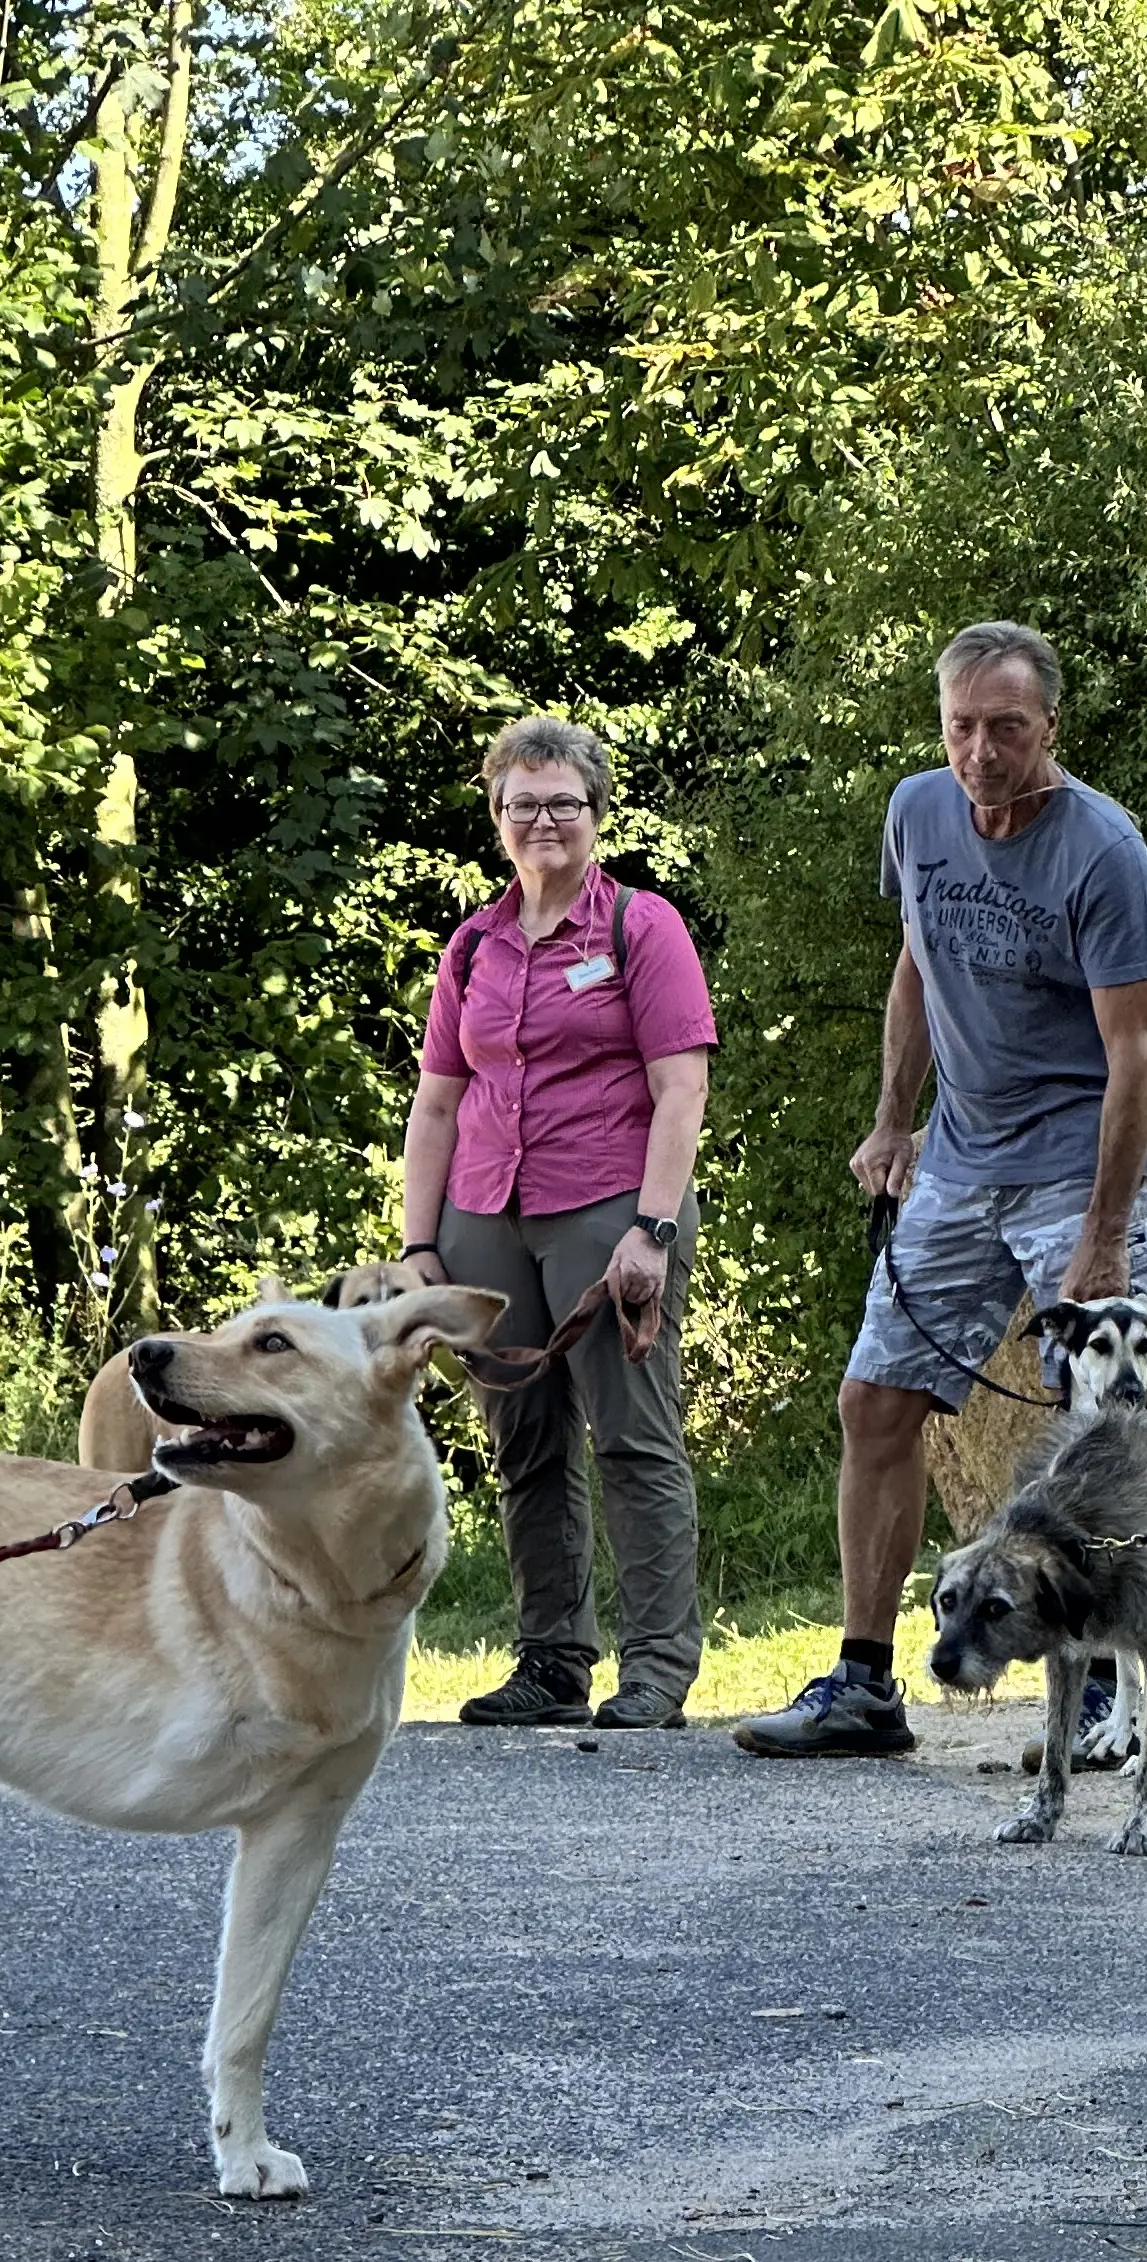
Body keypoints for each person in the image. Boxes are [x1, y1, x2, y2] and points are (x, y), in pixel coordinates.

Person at [735, 620, 1147, 1760]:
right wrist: (894, 1120)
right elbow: (917, 959)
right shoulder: (918, 810)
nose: (981, 753)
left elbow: (1134, 1058)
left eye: (1007, 730)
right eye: (962, 727)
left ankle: (1098, 1695)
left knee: (1097, 1430)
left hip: (1078, 1161)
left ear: (1051, 731)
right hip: (961, 1155)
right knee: (874, 1401)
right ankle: (865, 1684)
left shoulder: (1102, 852)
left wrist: (1102, 1238)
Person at [396, 716, 713, 1731]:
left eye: (563, 803)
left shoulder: (640, 927)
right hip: (485, 1214)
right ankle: (552, 1662)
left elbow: (681, 1091)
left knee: (632, 1439)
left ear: (596, 813)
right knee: (524, 1444)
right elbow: (437, 1104)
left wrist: (651, 1231)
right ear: (496, 816)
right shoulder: (475, 945)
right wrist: (417, 1246)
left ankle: (657, 1670)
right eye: (523, 803)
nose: (544, 820)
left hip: (610, 1211)